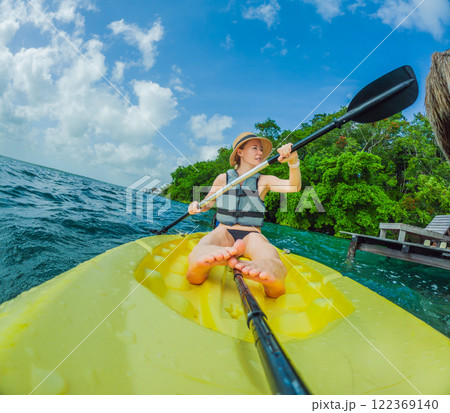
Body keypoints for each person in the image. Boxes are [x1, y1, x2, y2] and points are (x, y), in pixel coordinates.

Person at [186, 131, 301, 298]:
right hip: (224, 230)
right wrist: (197, 205)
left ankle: (272, 272)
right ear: (239, 152)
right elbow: (208, 203)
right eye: (255, 148)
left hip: (252, 234)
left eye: (261, 149)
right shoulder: (222, 178)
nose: (260, 153)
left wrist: (293, 162)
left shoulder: (264, 180)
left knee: (269, 255)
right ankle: (198, 267)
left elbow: (294, 187)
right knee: (203, 246)